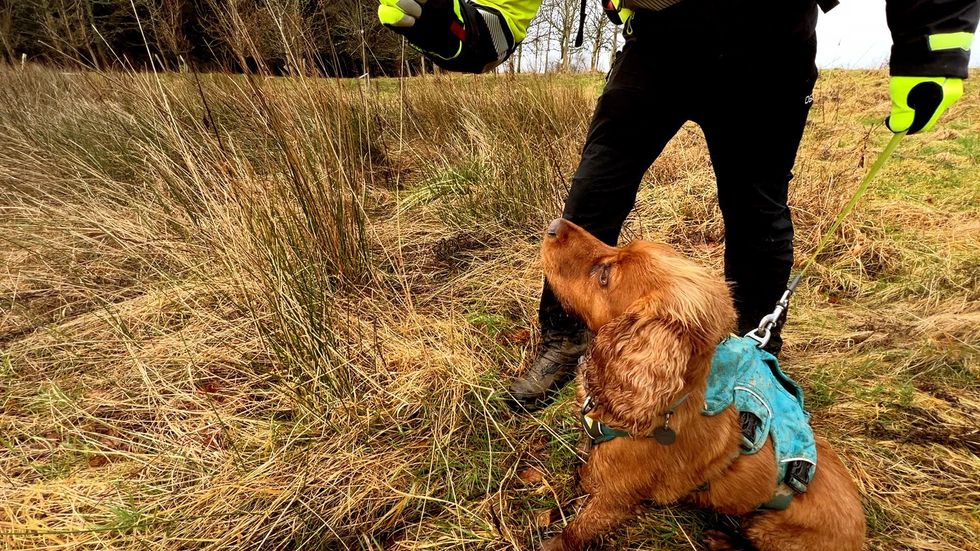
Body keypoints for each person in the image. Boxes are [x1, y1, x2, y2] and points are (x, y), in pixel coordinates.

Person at [377, 0, 978, 410]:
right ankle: (562, 338)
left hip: (770, 37)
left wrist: (932, 46)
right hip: (658, 42)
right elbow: (491, 21)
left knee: (757, 210)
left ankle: (755, 366)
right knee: (590, 202)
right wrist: (462, 24)